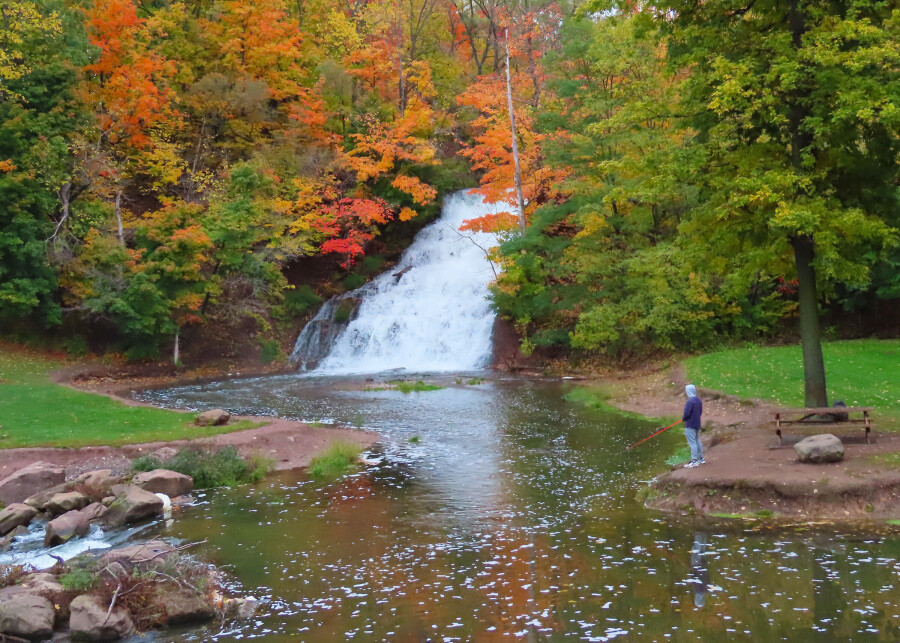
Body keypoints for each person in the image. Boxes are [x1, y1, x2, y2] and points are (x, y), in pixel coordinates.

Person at [682, 384, 704, 468]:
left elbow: (686, 414)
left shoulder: (690, 401)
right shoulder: (698, 400)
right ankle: (701, 459)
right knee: (697, 440)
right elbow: (700, 412)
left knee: (692, 443)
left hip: (690, 424)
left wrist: (683, 418)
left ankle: (694, 461)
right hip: (697, 424)